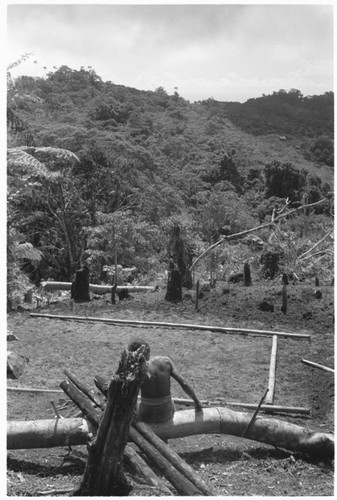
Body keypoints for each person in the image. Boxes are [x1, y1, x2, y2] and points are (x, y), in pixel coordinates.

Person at [128, 337, 203, 424]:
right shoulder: (166, 361)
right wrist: (197, 401)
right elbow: (184, 383)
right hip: (166, 412)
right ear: (148, 350)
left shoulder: (134, 368)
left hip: (146, 414)